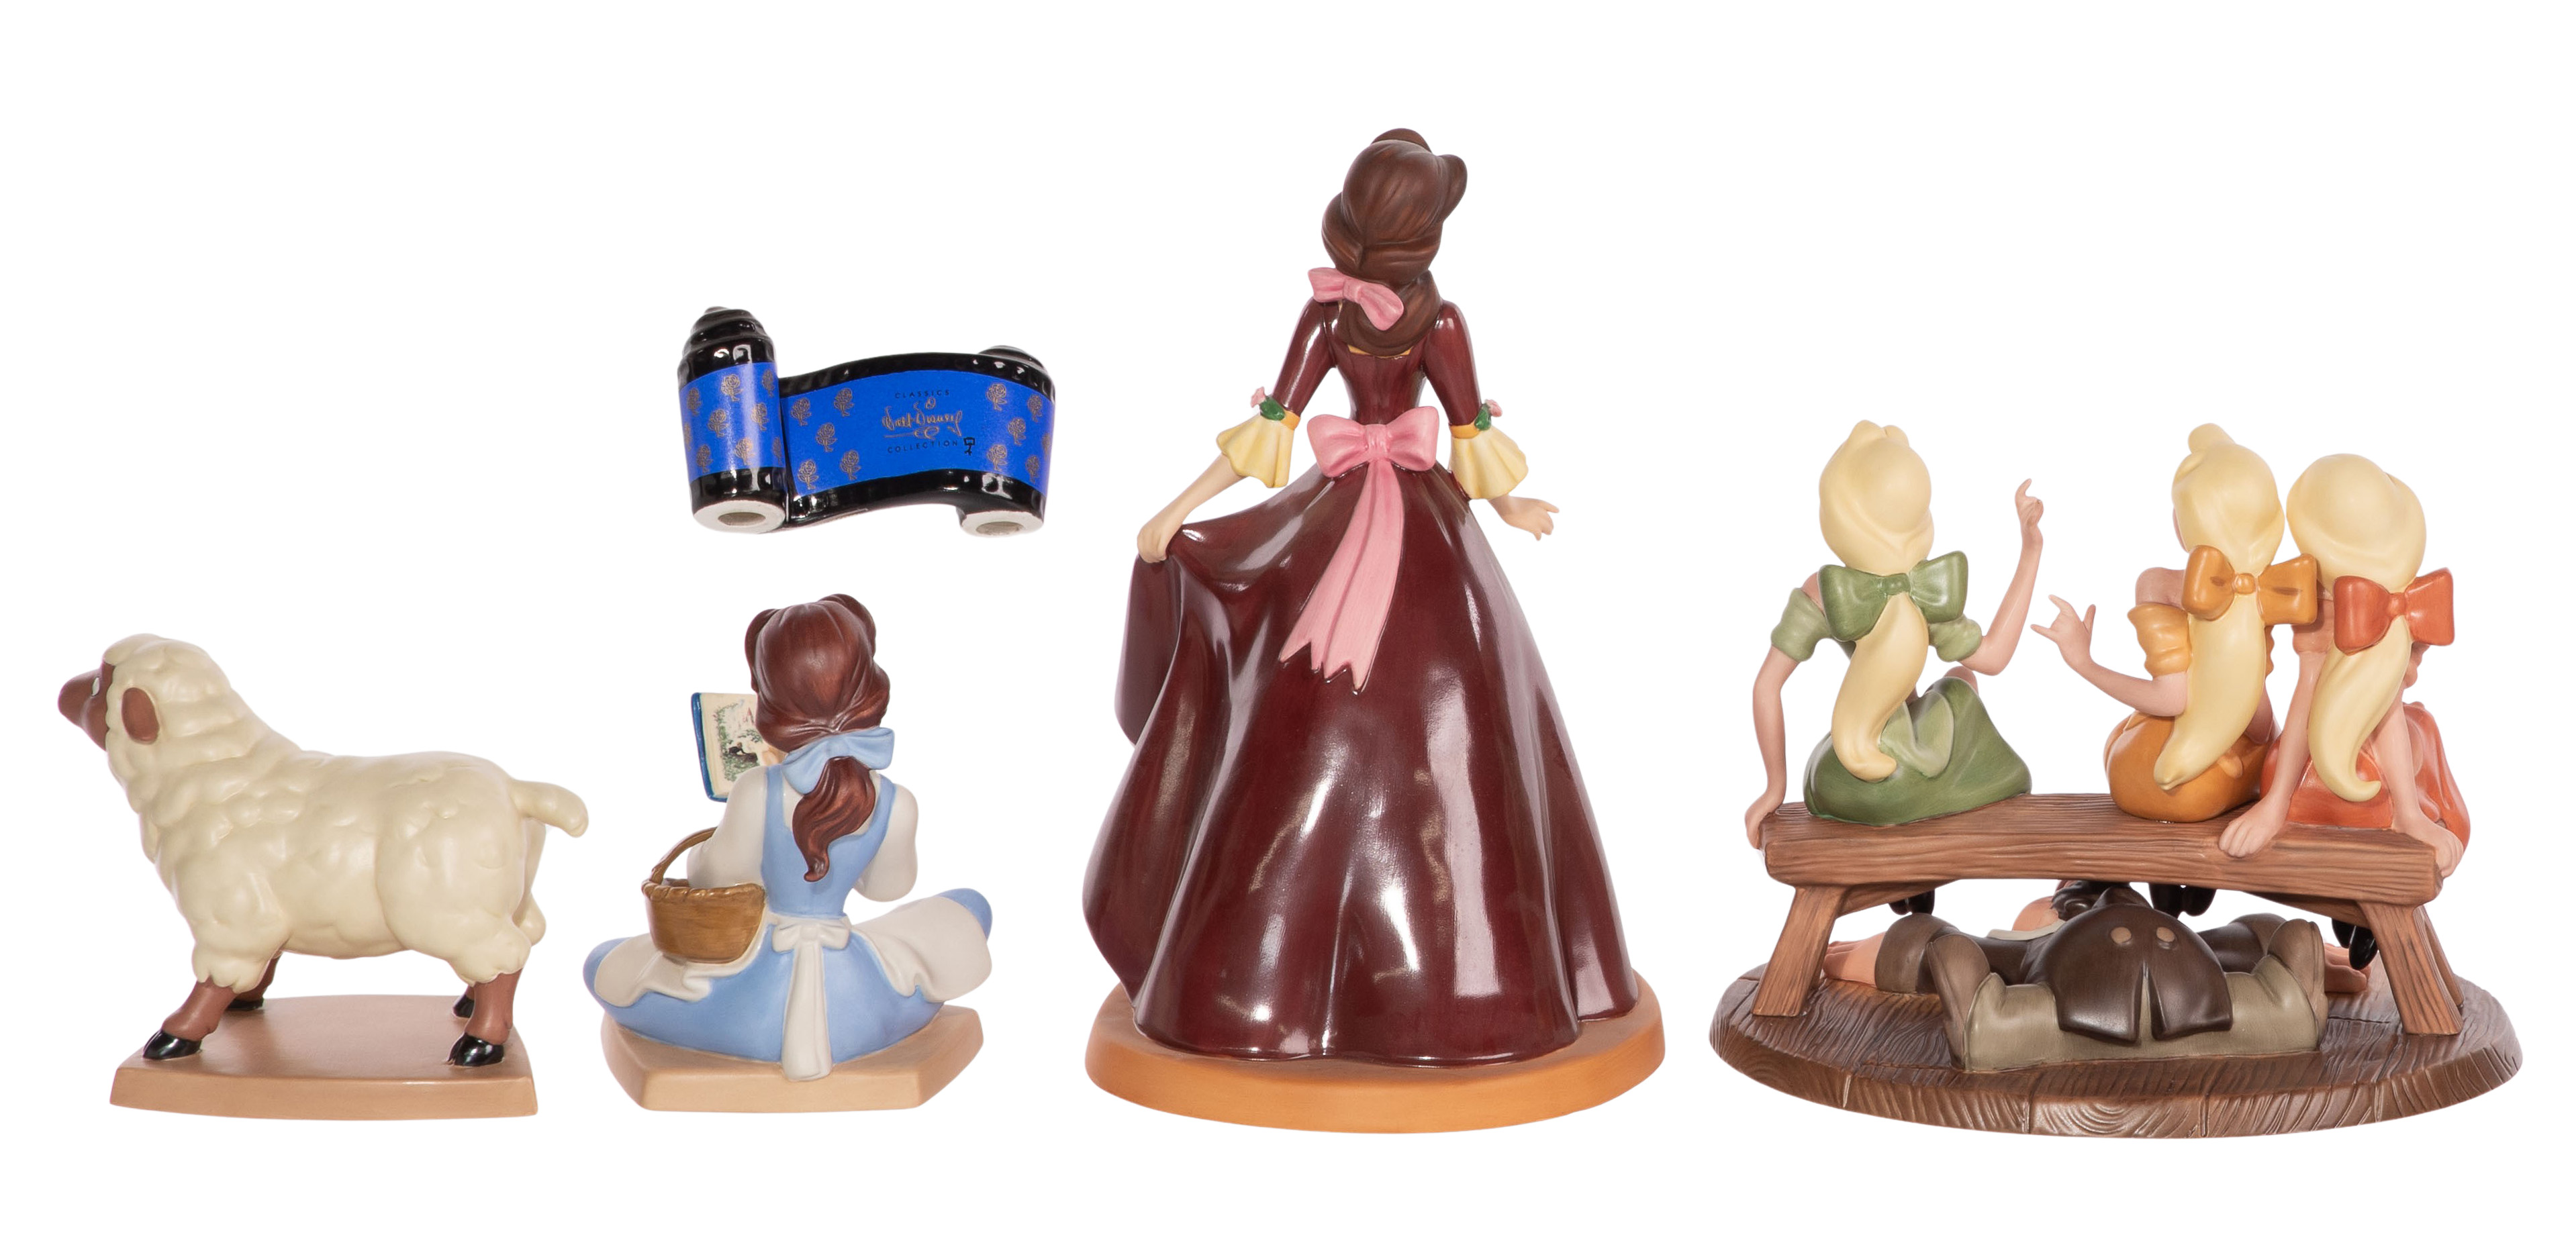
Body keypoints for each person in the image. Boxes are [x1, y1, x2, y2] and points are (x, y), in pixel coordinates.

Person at [1088, 130, 1638, 1066]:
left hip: (1399, 521)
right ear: (1426, 236)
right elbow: (1317, 428)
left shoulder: (1373, 319)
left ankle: (1307, 977)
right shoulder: (1370, 318)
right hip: (1399, 520)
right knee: (1339, 715)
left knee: (1434, 718)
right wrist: (1175, 512)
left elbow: (1428, 428)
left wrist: (1508, 503)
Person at [585, 596, 992, 1080]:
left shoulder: (758, 789)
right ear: (870, 685)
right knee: (967, 909)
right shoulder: (897, 802)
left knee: (603, 964)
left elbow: (718, 878)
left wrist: (708, 848)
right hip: (857, 1007)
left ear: (769, 698)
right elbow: (888, 889)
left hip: (751, 1004)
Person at [1744, 421, 2044, 838]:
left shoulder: (1825, 591)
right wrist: (2031, 551)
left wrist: (1774, 788)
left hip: (1844, 782)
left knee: (1946, 688)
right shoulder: (1926, 591)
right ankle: (1938, 785)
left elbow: (1766, 686)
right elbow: (1993, 658)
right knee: (1962, 680)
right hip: (1904, 782)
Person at [2033, 425, 2302, 823]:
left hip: (2173, 779)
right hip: (2253, 762)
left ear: (2183, 523)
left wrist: (2083, 662)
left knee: (2132, 750)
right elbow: (2261, 724)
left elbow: (2172, 700)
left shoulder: (2158, 585)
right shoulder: (2276, 585)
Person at [2222, 454, 2467, 874]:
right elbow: (2307, 695)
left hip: (2376, 747)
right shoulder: (2326, 602)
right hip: (2322, 737)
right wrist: (2275, 803)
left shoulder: (2395, 598)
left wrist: (2409, 813)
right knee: (2284, 768)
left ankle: (2406, 811)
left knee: (2387, 718)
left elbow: (2387, 705)